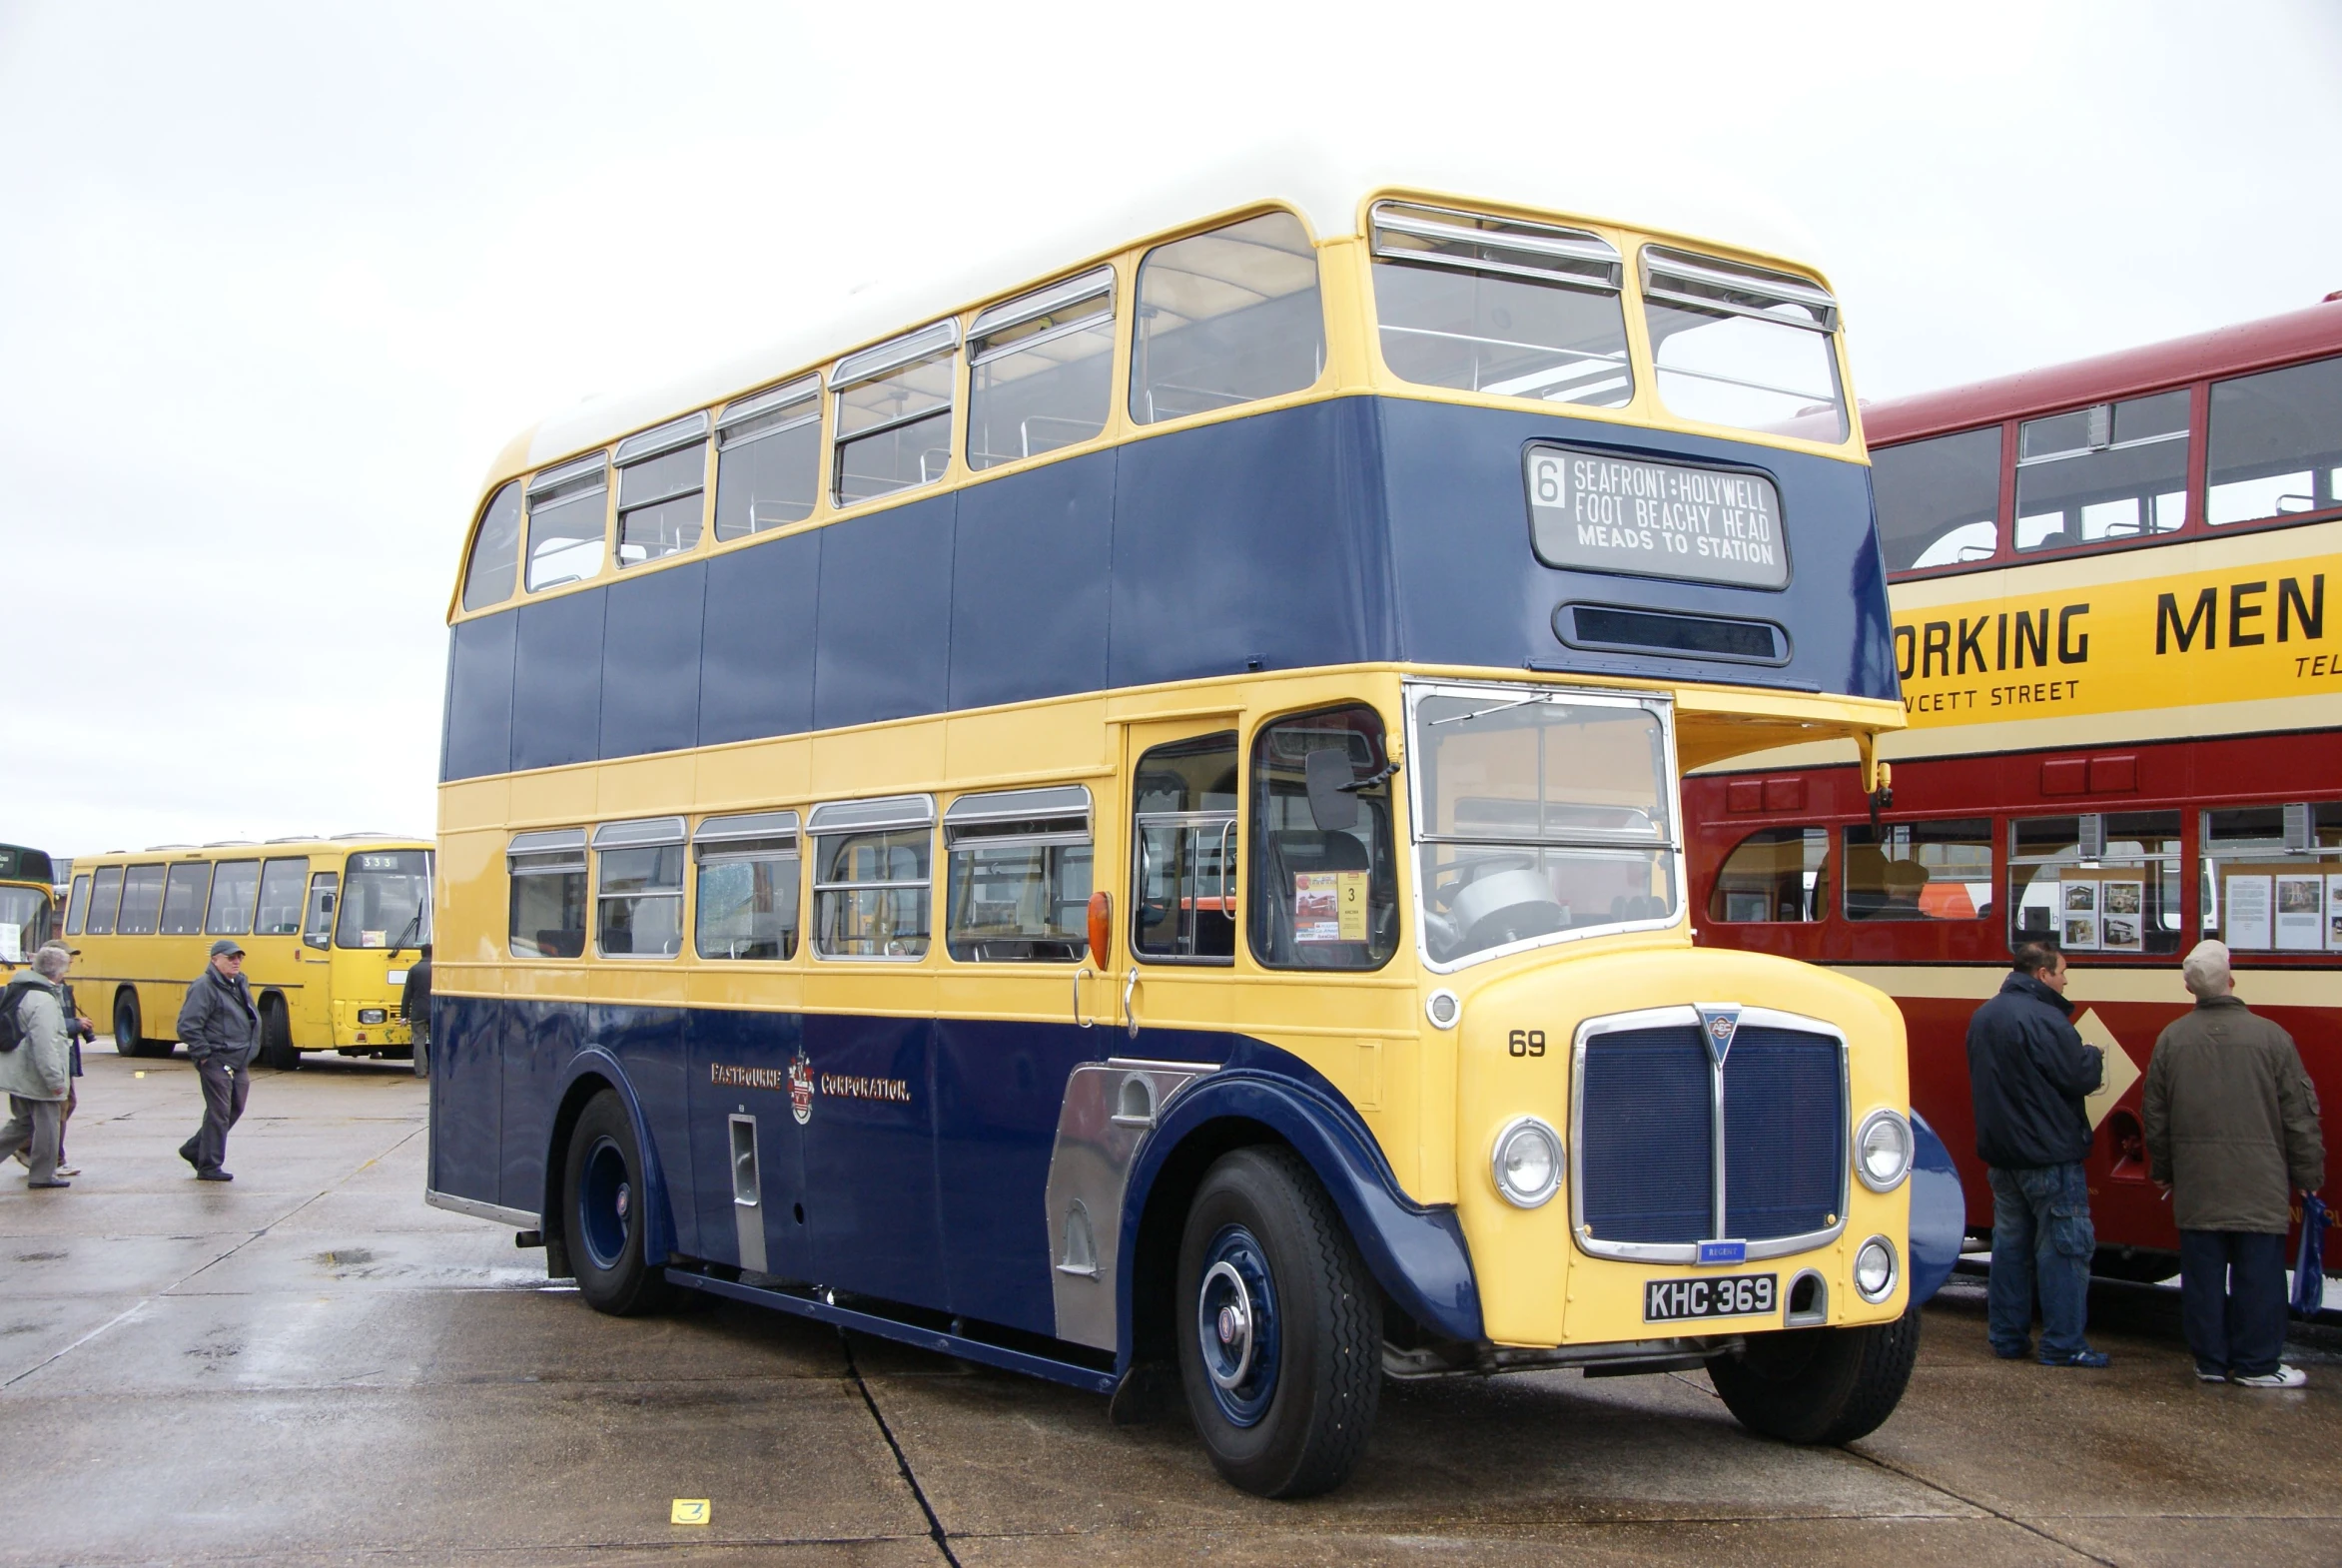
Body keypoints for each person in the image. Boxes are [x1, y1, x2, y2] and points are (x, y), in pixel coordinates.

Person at [2143, 940, 2325, 1388]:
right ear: (2231, 979)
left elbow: (2156, 1117)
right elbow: (2299, 1116)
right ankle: (2257, 1364)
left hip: (2198, 1181)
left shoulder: (2171, 1039)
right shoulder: (2272, 1037)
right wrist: (2308, 1176)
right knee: (2258, 1276)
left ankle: (2209, 1361)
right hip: (2258, 1181)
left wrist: (2164, 1170)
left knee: (2202, 1277)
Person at [1967, 937, 2108, 1367]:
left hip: (2004, 1156)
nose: (2066, 981)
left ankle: (2007, 1338)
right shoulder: (2047, 1019)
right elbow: (2076, 1077)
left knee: (2010, 1249)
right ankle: (2063, 1344)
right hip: (2049, 1155)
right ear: (2043, 974)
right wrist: (2092, 1055)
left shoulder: (1985, 1015)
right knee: (2064, 1249)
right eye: (2062, 972)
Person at [176, 938, 260, 1181]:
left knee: (235, 1107)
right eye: (230, 957)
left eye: (239, 957)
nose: (236, 961)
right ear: (215, 959)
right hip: (216, 1059)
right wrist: (204, 1056)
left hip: (239, 1059)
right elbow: (188, 1026)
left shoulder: (239, 983)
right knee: (218, 1112)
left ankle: (194, 1149)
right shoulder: (204, 986)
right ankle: (209, 1166)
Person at [0, 942, 79, 1187]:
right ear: (57, 972)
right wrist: (56, 1082)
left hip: (17, 1071)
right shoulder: (43, 1000)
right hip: (36, 1074)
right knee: (48, 1124)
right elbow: (46, 1045)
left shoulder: (18, 989)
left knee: (22, 1122)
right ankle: (43, 1175)